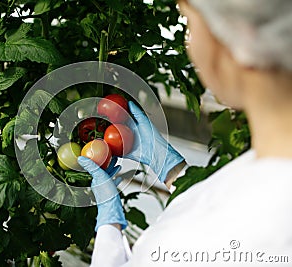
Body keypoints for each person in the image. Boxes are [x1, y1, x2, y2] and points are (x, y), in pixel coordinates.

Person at [77, 0, 292, 266]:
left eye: (189, 23)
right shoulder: (267, 168)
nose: (189, 44)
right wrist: (175, 173)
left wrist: (109, 228)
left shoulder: (188, 243)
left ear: (241, 38)